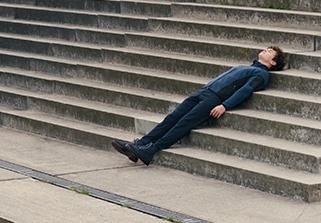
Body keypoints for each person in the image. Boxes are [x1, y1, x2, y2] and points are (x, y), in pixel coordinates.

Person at [111, 47, 286, 164]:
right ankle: (140, 144)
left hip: (214, 99)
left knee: (184, 123)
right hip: (205, 91)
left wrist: (224, 105)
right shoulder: (248, 67)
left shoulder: (262, 74)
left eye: (270, 51)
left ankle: (152, 149)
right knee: (172, 117)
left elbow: (245, 90)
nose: (266, 50)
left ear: (273, 63)